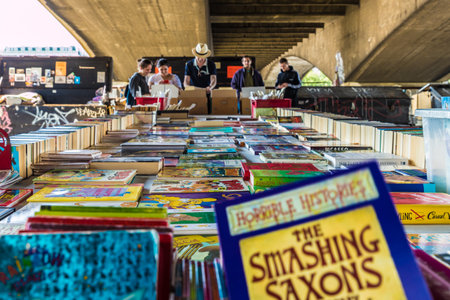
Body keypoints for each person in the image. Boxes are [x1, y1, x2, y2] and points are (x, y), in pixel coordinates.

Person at [184, 43, 217, 113]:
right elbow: (186, 81)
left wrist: (210, 87)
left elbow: (213, 79)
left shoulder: (211, 64)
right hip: (193, 94)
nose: (200, 59)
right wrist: (188, 88)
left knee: (206, 113)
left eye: (203, 57)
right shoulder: (189, 64)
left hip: (207, 93)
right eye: (198, 56)